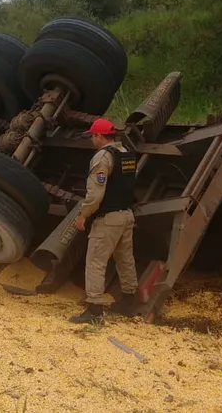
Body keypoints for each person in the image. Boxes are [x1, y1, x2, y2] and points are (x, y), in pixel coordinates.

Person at [68, 117, 138, 324]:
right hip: (126, 215)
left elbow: (95, 195)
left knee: (96, 262)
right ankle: (128, 301)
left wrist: (83, 215)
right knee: (125, 258)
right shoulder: (127, 153)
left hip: (109, 218)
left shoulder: (102, 158)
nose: (92, 140)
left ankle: (94, 310)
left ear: (99, 136)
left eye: (92, 136)